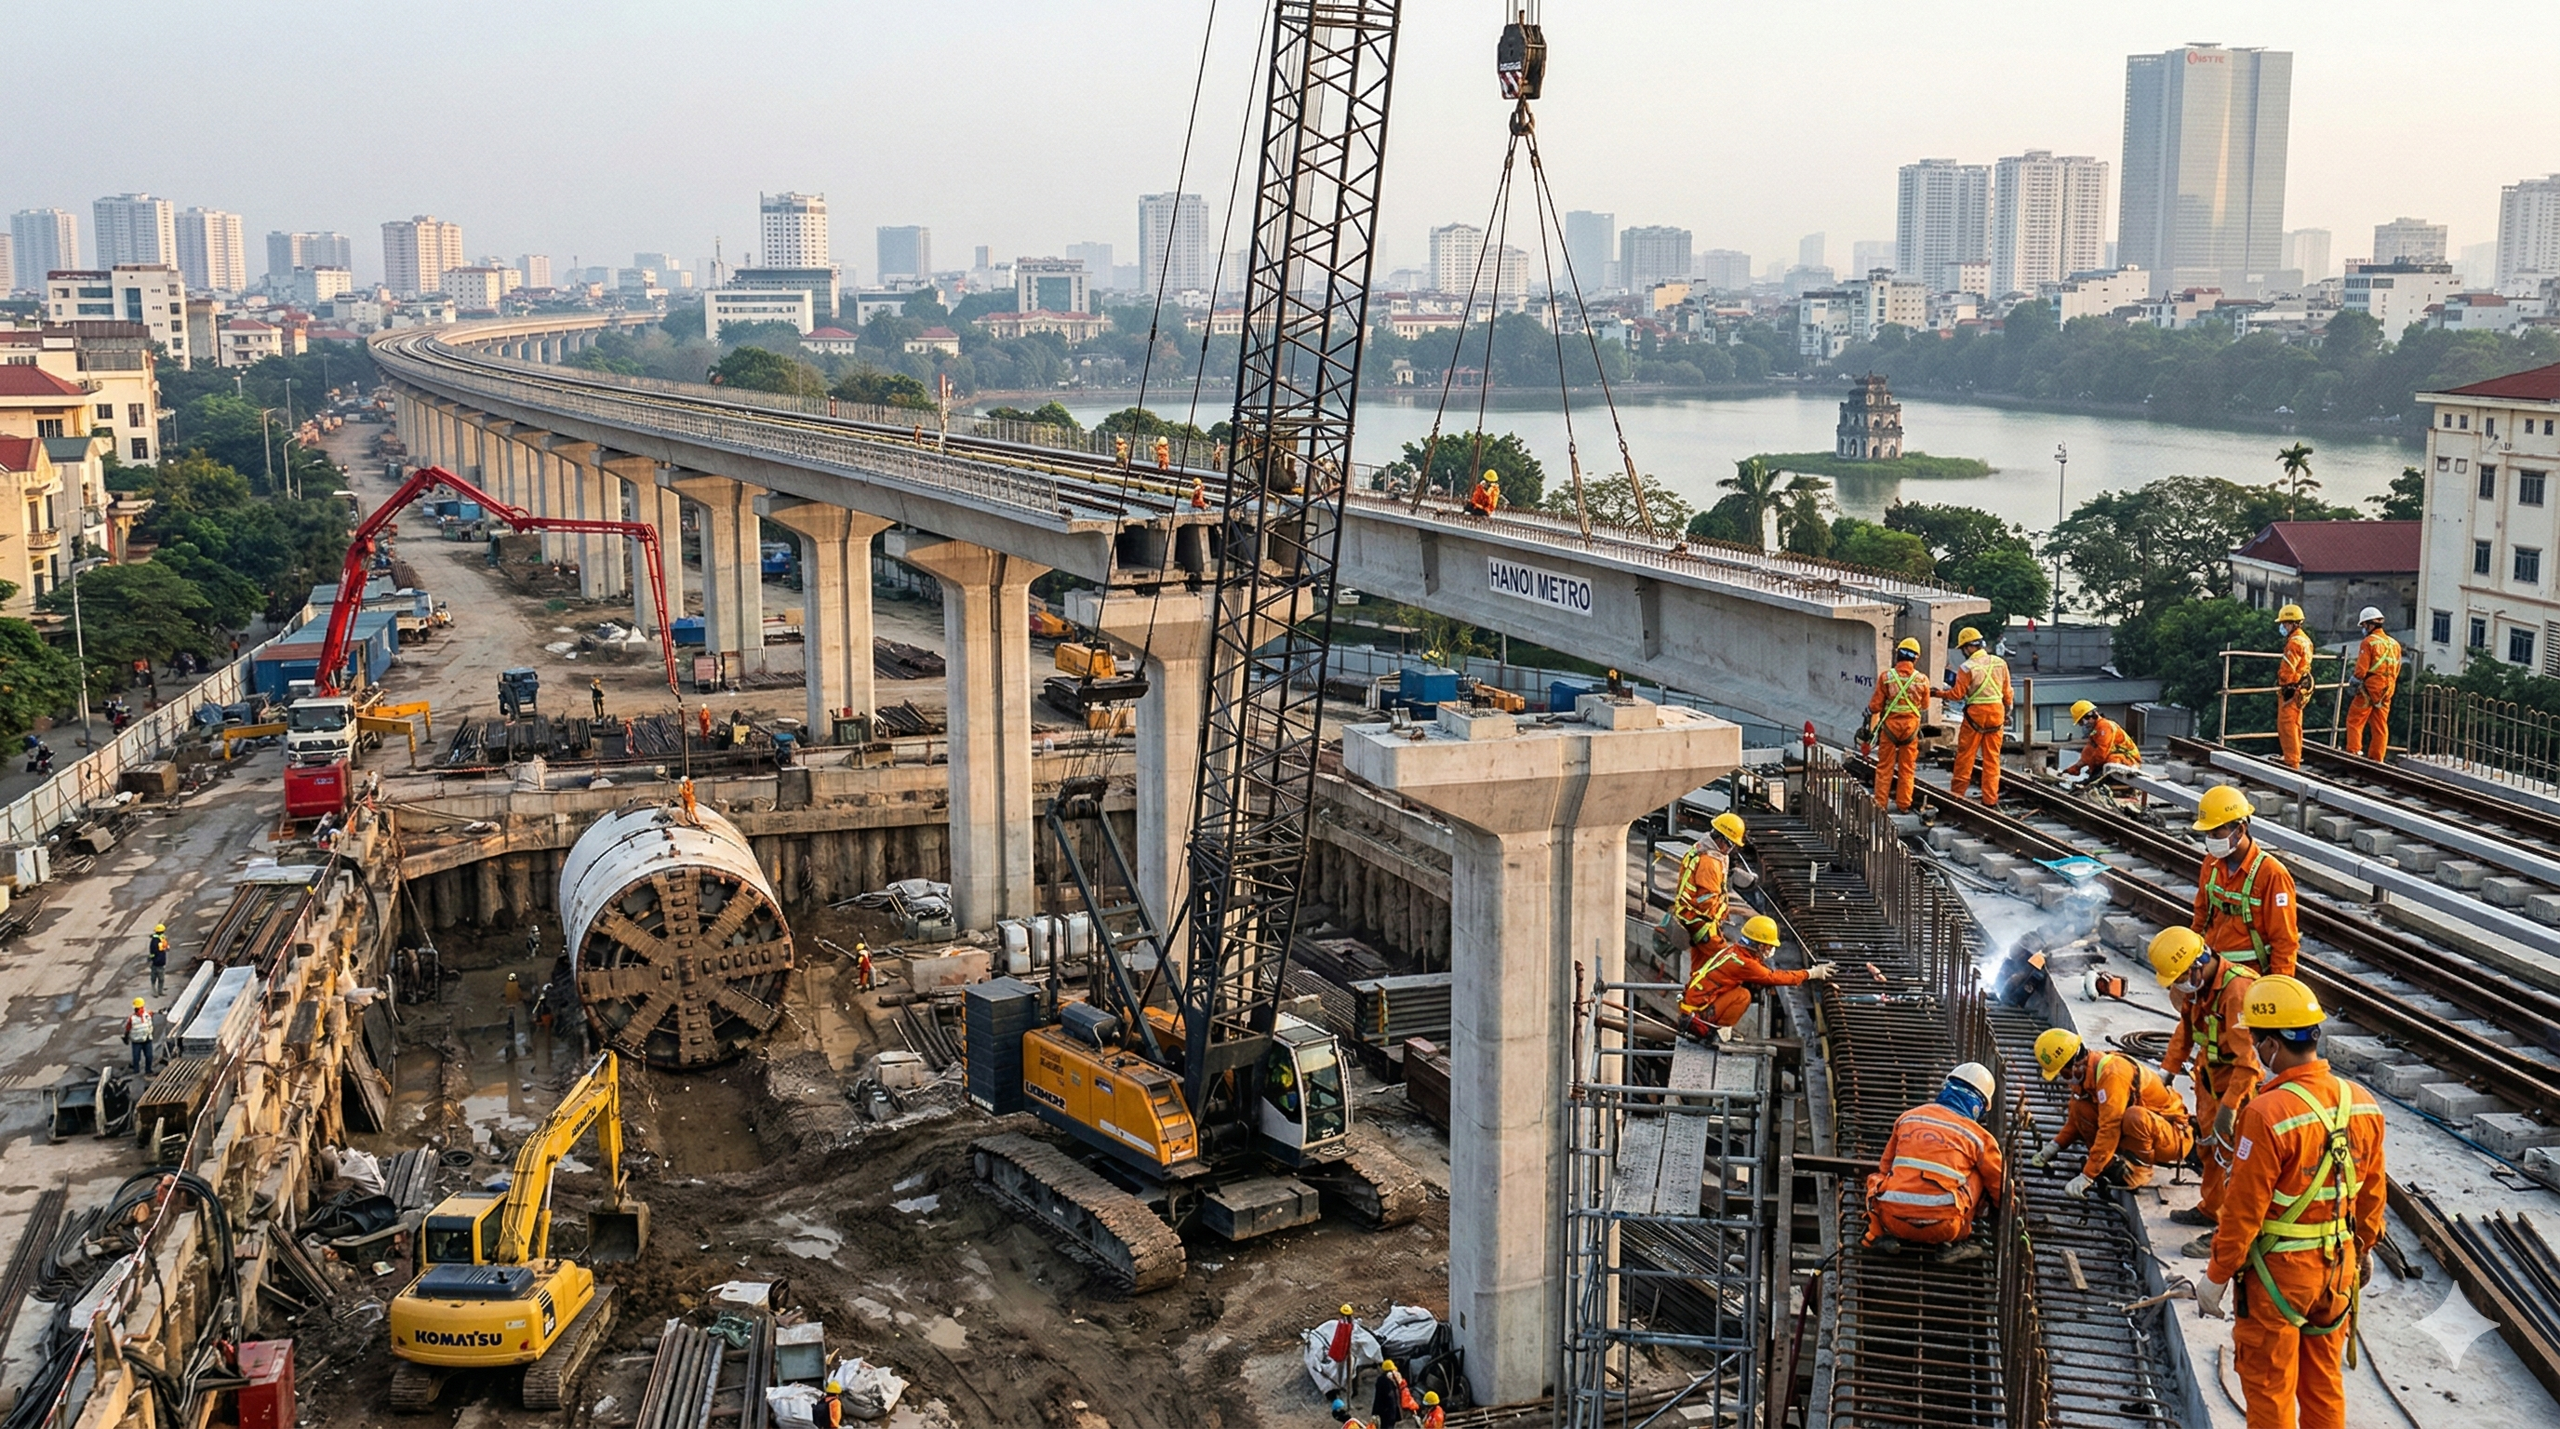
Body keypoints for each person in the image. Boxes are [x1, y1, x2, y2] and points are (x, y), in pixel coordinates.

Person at [2193, 975, 2386, 1429]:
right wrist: (2365, 1248)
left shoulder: (2266, 1112)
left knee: (2269, 1390)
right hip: (2337, 1272)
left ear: (2272, 1045)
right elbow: (2373, 1194)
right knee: (2323, 1385)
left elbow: (2242, 1211)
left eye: (2257, 1040)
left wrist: (2216, 1276)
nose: (2256, 1050)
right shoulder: (2362, 1103)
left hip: (2280, 1278)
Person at [2153, 926, 2263, 1254]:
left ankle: (2224, 1235)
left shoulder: (2238, 990)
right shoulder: (2199, 988)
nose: (2179, 986)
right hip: (2209, 1082)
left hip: (2235, 1087)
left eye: (2180, 978)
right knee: (2209, 1152)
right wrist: (2167, 1071)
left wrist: (2230, 1108)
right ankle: (2210, 1209)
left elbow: (2248, 1062)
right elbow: (2185, 1031)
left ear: (2197, 965)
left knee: (2235, 1163)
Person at [1863, 1062, 2005, 1263]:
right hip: (1945, 1228)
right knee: (1979, 1173)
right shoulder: (1980, 1138)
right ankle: (1953, 1246)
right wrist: (1999, 1212)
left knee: (1880, 1178)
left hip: (1893, 1220)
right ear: (1979, 1106)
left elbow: (1885, 1167)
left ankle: (1878, 1234)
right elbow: (1999, 1187)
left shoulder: (1908, 1118)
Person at [2032, 1028, 2194, 1192]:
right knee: (2080, 1106)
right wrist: (2055, 1145)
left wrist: (2087, 1175)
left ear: (2075, 1064)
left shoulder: (2112, 1074)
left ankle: (2137, 1172)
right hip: (2145, 1131)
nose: (2064, 1078)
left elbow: (2110, 1127)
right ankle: (2108, 1163)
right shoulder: (2089, 1072)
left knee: (2134, 1117)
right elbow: (2076, 1120)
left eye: (2063, 1073)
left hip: (2173, 1134)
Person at [2190, 785, 2300, 977]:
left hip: (2248, 975)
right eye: (2208, 834)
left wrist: (2279, 987)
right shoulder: (2211, 863)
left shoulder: (2272, 874)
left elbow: (2284, 941)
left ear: (2240, 830)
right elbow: (2201, 916)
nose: (2211, 839)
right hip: (2213, 969)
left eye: (2216, 834)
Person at [1680, 915, 1836, 1041]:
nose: (1771, 950)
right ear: (1760, 946)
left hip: (1693, 1005)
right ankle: (1718, 1032)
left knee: (1739, 991)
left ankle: (1717, 1028)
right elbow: (1774, 977)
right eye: (1769, 946)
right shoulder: (1745, 963)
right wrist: (1811, 973)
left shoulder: (1735, 950)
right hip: (1696, 1014)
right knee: (1743, 996)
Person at [1669, 813, 1752, 978]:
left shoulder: (1700, 849)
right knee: (1727, 961)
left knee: (1700, 964)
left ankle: (1696, 993)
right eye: (1731, 846)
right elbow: (1707, 900)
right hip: (1699, 920)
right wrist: (1721, 917)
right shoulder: (1710, 863)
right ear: (1722, 840)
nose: (1730, 850)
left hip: (1689, 915)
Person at [1937, 626, 2011, 806]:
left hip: (1975, 716)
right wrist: (2006, 712)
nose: (1963, 652)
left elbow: (1957, 695)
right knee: (1992, 759)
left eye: (1963, 648)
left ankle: (1957, 796)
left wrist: (1938, 693)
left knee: (1966, 756)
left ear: (1970, 647)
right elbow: (2007, 693)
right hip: (1996, 714)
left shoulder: (1967, 667)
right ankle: (1990, 799)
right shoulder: (2000, 663)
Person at [1864, 637, 1930, 811]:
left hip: (1890, 728)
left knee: (1885, 767)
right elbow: (1925, 705)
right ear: (1915, 658)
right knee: (1907, 768)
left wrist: (1869, 711)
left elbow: (1876, 706)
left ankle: (1880, 804)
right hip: (1911, 729)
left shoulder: (1886, 677)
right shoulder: (1922, 680)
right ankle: (1904, 804)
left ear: (1898, 655)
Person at [2342, 606, 2400, 762]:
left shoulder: (2368, 642)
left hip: (2370, 689)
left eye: (2363, 626)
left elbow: (2361, 670)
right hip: (2388, 689)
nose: (2363, 629)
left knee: (2355, 720)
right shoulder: (2395, 644)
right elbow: (2397, 668)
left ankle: (2354, 752)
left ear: (2369, 624)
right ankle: (2377, 758)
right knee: (2380, 725)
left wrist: (2353, 684)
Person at [2059, 699, 2142, 797]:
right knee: (2093, 753)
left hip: (2129, 761)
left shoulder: (2105, 727)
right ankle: (2098, 780)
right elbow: (2089, 752)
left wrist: (2093, 774)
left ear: (2089, 715)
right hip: (2118, 758)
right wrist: (2076, 767)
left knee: (2111, 759)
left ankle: (2109, 782)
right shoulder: (2096, 730)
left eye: (2081, 722)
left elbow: (2101, 753)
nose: (2082, 725)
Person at [2273, 603, 2314, 768]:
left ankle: (2291, 761)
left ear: (2293, 623)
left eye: (2284, 624)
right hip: (2300, 688)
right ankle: (2294, 757)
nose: (2282, 627)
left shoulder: (2293, 644)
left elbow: (2287, 670)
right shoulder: (2305, 640)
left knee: (2287, 725)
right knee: (2296, 724)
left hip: (2291, 689)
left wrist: (2283, 683)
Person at [1371, 1356, 1413, 1428]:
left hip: (1385, 1411)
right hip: (1393, 1410)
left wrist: (1375, 1412)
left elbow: (1378, 1397)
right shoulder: (1396, 1379)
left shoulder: (1381, 1380)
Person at [125, 998, 156, 1076]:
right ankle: (136, 1071)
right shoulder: (132, 1019)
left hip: (147, 1040)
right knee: (136, 1057)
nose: (141, 1010)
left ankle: (148, 1070)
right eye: (139, 1009)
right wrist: (126, 1037)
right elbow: (128, 1029)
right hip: (136, 1042)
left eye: (141, 1008)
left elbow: (149, 1025)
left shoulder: (147, 1016)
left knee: (149, 1056)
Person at [146, 923, 170, 996]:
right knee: (156, 978)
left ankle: (159, 991)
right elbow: (153, 951)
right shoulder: (155, 940)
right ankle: (155, 992)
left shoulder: (162, 939)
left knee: (159, 978)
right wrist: (153, 959)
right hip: (157, 962)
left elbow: (165, 947)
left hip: (160, 961)